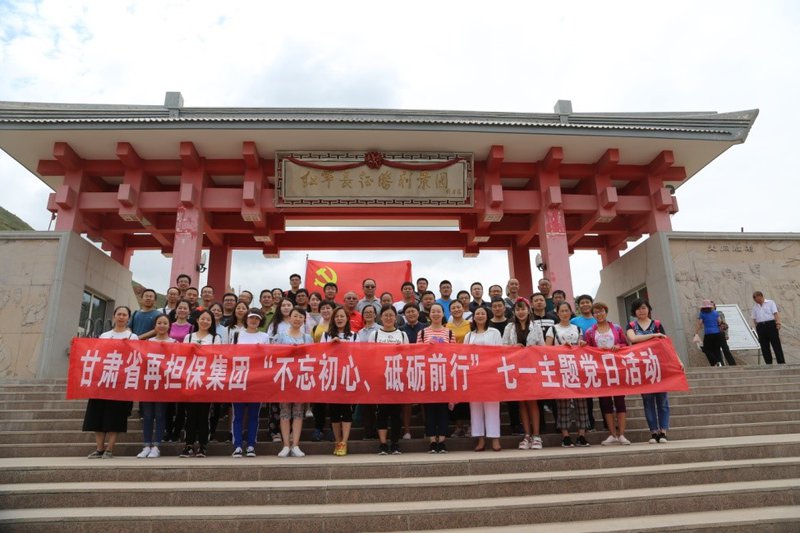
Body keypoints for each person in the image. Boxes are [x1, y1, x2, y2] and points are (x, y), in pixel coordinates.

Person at [83, 305, 138, 459]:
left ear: (128, 318)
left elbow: (135, 358)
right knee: (97, 414)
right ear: (114, 316)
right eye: (119, 314)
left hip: (120, 382)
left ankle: (110, 449)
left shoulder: (133, 337)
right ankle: (99, 448)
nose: (121, 317)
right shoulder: (104, 335)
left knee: (116, 416)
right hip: (102, 381)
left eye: (124, 315)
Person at [626, 298, 672, 444]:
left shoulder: (657, 324)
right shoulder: (631, 325)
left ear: (649, 309)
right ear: (634, 312)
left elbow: (666, 344)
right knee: (647, 400)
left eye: (644, 307)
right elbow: (633, 338)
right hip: (642, 367)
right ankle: (653, 432)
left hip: (659, 366)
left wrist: (678, 361)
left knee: (662, 400)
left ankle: (663, 432)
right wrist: (653, 335)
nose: (641, 311)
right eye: (638, 308)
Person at [584, 302, 631, 446]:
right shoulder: (590, 332)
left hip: (616, 368)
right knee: (605, 402)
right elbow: (587, 349)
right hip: (600, 370)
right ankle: (612, 434)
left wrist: (618, 346)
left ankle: (621, 434)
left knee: (620, 401)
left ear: (606, 312)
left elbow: (626, 345)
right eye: (596, 312)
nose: (599, 314)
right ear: (593, 315)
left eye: (601, 311)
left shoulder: (616, 328)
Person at [546, 302, 590, 447]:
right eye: (562, 311)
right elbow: (546, 349)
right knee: (563, 403)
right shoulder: (553, 329)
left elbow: (581, 346)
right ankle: (565, 435)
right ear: (557, 313)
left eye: (567, 310)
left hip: (577, 368)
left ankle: (581, 435)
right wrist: (561, 348)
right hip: (561, 369)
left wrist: (582, 344)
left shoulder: (577, 328)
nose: (565, 313)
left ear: (571, 312)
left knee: (581, 403)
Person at [503, 298, 546, 450]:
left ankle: (536, 435)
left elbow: (542, 347)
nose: (521, 312)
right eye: (518, 309)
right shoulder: (509, 327)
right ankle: (527, 435)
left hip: (532, 368)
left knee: (533, 402)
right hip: (516, 369)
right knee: (522, 402)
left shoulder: (536, 327)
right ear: (514, 312)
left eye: (523, 309)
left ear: (529, 310)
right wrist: (513, 347)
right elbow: (503, 347)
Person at [180, 310, 222, 458]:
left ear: (212, 322)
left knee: (204, 415)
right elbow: (183, 355)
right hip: (191, 380)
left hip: (207, 380)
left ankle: (203, 445)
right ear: (197, 320)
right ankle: (189, 445)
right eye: (202, 319)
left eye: (208, 319)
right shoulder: (189, 337)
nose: (205, 322)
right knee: (190, 414)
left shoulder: (216, 338)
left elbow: (217, 356)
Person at [274, 306, 313, 457]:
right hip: (285, 377)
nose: (297, 319)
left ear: (304, 320)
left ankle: (295, 444)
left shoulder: (307, 338)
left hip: (301, 378)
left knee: (298, 411)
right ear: (289, 318)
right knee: (284, 411)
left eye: (301, 317)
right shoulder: (280, 336)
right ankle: (285, 445)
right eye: (295, 316)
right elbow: (274, 356)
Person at [370, 305, 410, 455]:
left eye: (391, 315)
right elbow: (369, 355)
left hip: (397, 378)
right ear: (380, 317)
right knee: (382, 412)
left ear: (396, 318)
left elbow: (408, 356)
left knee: (395, 413)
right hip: (380, 378)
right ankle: (382, 444)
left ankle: (395, 443)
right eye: (385, 315)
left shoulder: (402, 334)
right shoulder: (374, 334)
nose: (388, 318)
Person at [230, 308, 270, 458]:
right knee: (238, 415)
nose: (254, 320)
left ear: (261, 321)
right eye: (251, 317)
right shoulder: (236, 334)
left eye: (257, 318)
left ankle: (251, 445)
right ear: (246, 319)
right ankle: (237, 445)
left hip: (256, 380)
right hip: (239, 379)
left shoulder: (264, 336)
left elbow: (267, 357)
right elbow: (230, 354)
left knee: (254, 415)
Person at [320, 306, 358, 455]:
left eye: (342, 316)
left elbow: (358, 355)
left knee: (346, 410)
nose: (339, 319)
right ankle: (337, 441)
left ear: (347, 319)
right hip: (331, 377)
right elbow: (320, 355)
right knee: (334, 411)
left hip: (347, 377)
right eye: (337, 316)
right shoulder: (326, 335)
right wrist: (331, 345)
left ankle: (344, 442)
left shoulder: (354, 336)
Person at [418, 303, 455, 453]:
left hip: (444, 375)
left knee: (443, 410)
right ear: (429, 314)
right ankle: (432, 441)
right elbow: (417, 354)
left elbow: (453, 354)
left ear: (442, 314)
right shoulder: (422, 333)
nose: (435, 314)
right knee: (430, 409)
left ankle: (442, 441)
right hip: (428, 375)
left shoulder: (449, 333)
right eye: (433, 311)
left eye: (438, 311)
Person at [465, 307, 503, 452]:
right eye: (477, 314)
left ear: (487, 316)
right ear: (473, 317)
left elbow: (500, 352)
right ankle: (480, 439)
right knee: (475, 407)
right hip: (474, 376)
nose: (480, 316)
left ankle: (495, 439)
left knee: (492, 406)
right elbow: (465, 355)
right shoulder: (469, 335)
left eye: (483, 313)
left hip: (491, 375)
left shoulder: (494, 332)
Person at [137, 313, 174, 458]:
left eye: (165, 323)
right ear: (154, 326)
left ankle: (157, 446)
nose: (162, 326)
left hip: (164, 384)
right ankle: (146, 445)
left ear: (169, 326)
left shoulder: (175, 343)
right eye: (159, 323)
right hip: (149, 382)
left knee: (160, 414)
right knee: (147, 415)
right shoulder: (147, 342)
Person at [751, 291, 785, 364]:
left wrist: (778, 323)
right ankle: (768, 363)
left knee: (776, 344)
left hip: (771, 325)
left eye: (758, 300)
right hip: (760, 326)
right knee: (764, 346)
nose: (757, 302)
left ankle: (781, 362)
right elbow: (754, 318)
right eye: (755, 300)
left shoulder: (770, 303)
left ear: (761, 296)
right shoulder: (755, 307)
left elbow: (775, 313)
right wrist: (757, 327)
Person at [694, 299, 724, 367]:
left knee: (707, 349)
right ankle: (719, 363)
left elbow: (699, 324)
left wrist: (696, 333)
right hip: (717, 333)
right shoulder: (715, 313)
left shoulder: (702, 314)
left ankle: (715, 362)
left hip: (708, 334)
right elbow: (720, 322)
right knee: (717, 349)